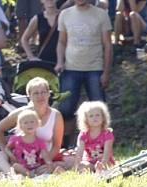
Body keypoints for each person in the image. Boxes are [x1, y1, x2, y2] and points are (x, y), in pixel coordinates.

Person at [55, 0, 113, 142]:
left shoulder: (101, 14)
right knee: (66, 109)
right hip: (70, 68)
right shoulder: (65, 14)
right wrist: (60, 62)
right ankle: (65, 144)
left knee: (99, 110)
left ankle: (102, 143)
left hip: (95, 68)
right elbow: (62, 41)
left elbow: (108, 45)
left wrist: (106, 72)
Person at [0, 77, 68, 173]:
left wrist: (45, 162)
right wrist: (6, 151)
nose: (40, 96)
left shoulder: (56, 115)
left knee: (69, 161)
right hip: (21, 157)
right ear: (29, 96)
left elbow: (57, 146)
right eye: (36, 93)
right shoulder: (22, 113)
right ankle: (12, 176)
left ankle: (38, 171)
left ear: (49, 94)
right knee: (0, 156)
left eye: (43, 92)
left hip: (44, 157)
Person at [5, 109, 53, 177]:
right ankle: (31, 175)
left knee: (48, 167)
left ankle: (35, 175)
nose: (29, 125)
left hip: (36, 167)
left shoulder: (40, 141)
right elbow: (7, 148)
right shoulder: (15, 139)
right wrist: (11, 156)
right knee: (15, 166)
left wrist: (49, 163)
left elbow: (45, 155)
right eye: (26, 123)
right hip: (22, 167)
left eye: (32, 122)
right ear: (20, 126)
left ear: (37, 124)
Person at [74, 100, 115, 172]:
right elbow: (79, 151)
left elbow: (107, 154)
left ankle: (99, 170)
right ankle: (93, 169)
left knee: (106, 166)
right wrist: (77, 165)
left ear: (103, 117)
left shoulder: (107, 134)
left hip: (105, 161)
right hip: (89, 162)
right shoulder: (83, 134)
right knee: (83, 166)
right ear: (86, 119)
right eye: (91, 116)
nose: (94, 118)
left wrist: (103, 164)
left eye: (97, 115)